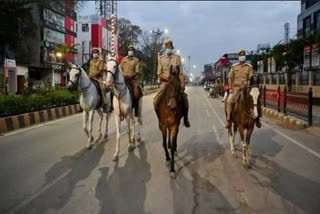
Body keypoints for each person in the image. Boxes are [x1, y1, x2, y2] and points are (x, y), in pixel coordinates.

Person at [153, 39, 190, 128]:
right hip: (165, 84)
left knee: (185, 100)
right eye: (167, 46)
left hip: (175, 85)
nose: (168, 47)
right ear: (165, 47)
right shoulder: (161, 59)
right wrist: (167, 78)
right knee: (155, 101)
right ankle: (160, 119)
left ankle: (185, 118)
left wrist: (182, 84)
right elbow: (158, 73)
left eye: (170, 46)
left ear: (172, 47)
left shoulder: (177, 58)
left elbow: (180, 73)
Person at [225, 49, 261, 129]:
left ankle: (258, 119)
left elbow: (251, 78)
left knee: (257, 100)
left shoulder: (249, 67)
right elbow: (230, 78)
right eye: (241, 55)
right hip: (236, 89)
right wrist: (230, 88)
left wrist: (247, 85)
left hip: (246, 88)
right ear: (239, 57)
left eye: (243, 55)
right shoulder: (234, 67)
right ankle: (228, 120)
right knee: (229, 101)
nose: (242, 56)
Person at [120, 45, 143, 117]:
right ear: (127, 51)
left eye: (132, 50)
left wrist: (130, 76)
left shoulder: (136, 60)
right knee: (114, 89)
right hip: (123, 79)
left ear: (133, 51)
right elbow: (120, 69)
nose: (130, 51)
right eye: (129, 50)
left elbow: (137, 72)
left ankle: (136, 109)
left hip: (132, 79)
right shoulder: (124, 59)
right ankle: (113, 106)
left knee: (137, 91)